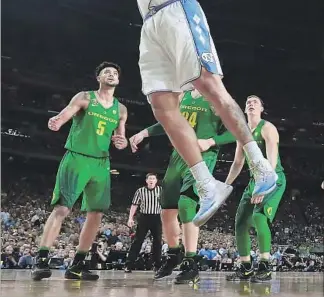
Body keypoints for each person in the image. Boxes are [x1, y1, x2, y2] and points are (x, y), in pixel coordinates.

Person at [61, 0, 277, 226]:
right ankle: (207, 183)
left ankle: (259, 165)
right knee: (162, 105)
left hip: (180, 12)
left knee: (210, 87)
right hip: (150, 25)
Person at [31, 62, 128, 281]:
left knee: (96, 214)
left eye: (114, 73)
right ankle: (42, 259)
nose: (111, 75)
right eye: (107, 72)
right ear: (99, 78)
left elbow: (121, 139)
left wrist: (122, 142)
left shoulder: (121, 109)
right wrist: (57, 121)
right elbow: (66, 113)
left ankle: (77, 264)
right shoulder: (85, 97)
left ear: (118, 80)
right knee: (62, 209)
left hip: (101, 163)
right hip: (77, 158)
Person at [129, 89, 236, 284]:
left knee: (187, 204)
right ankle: (173, 254)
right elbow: (169, 122)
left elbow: (236, 129)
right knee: (167, 211)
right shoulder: (183, 95)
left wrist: (212, 141)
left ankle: (190, 262)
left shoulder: (218, 97)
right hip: (177, 156)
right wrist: (144, 133)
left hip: (202, 156)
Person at [226, 95, 286, 282]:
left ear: (261, 109)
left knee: (259, 217)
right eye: (248, 103)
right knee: (240, 222)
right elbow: (238, 162)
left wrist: (263, 187)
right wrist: (224, 185)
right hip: (254, 180)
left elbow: (272, 161)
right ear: (244, 110)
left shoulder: (268, 128)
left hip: (273, 178)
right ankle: (245, 266)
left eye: (255, 102)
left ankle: (265, 265)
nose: (251, 104)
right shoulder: (242, 132)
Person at [125, 173, 162, 272]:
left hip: (157, 217)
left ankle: (157, 264)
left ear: (156, 181)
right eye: (150, 178)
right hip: (144, 217)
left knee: (158, 241)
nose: (151, 180)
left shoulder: (161, 190)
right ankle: (129, 264)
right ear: (146, 180)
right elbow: (134, 205)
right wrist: (130, 218)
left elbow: (166, 204)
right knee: (138, 240)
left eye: (153, 178)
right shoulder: (140, 191)